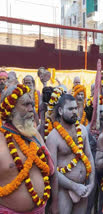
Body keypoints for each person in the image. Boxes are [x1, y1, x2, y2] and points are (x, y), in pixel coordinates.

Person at [0, 84, 57, 213]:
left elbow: (52, 173)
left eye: (32, 104)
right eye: (25, 104)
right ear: (11, 109)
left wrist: (55, 202)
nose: (32, 109)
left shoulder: (35, 135)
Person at [46, 94, 95, 214]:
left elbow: (88, 156)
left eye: (75, 108)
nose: (74, 112)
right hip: (64, 190)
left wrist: (92, 183)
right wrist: (73, 186)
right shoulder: (53, 137)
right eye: (70, 109)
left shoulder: (82, 130)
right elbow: (53, 172)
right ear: (61, 111)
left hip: (83, 188)